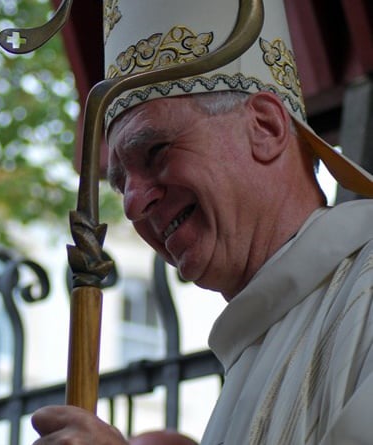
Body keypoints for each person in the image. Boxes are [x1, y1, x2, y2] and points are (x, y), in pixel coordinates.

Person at [31, 0, 373, 444]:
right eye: (120, 184)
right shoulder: (252, 350)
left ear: (265, 128)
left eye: (156, 152)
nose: (133, 205)